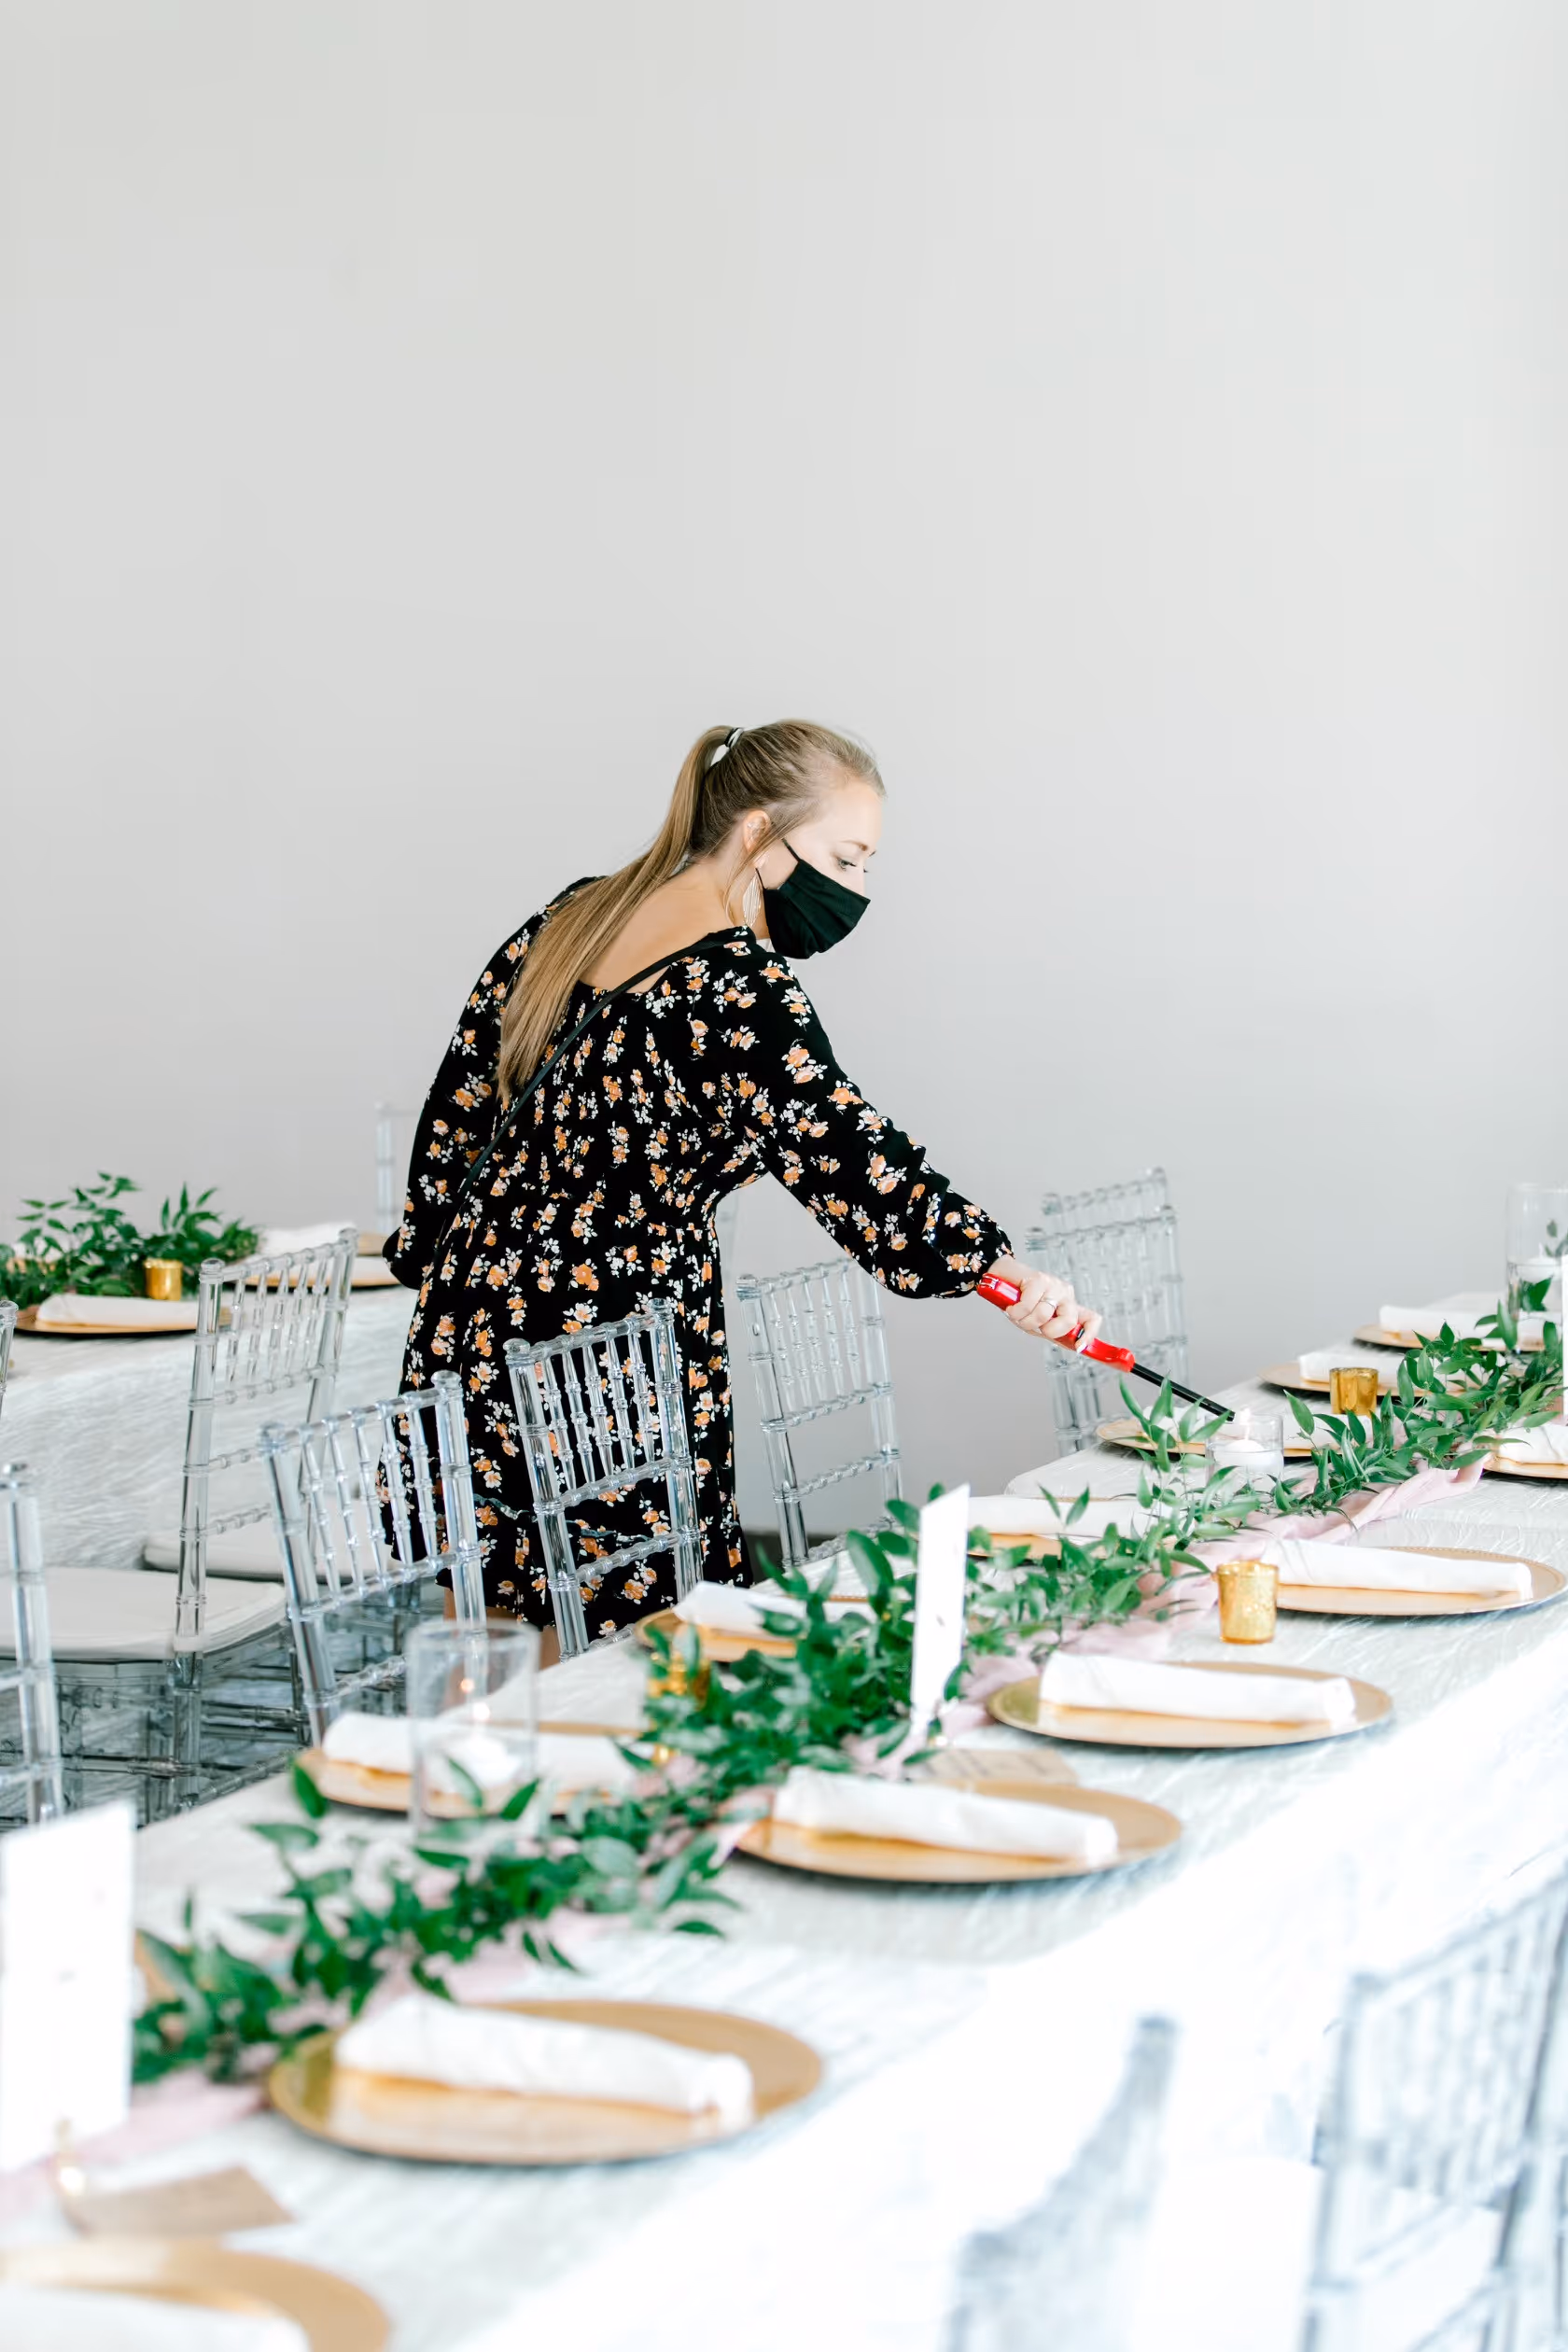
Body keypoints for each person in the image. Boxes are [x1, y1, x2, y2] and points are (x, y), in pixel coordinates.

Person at [385, 720, 1100, 1649]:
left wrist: (439, 1268)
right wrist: (1002, 1274)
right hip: (612, 1355)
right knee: (625, 1664)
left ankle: (462, 1798)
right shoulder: (736, 985)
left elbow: (456, 1116)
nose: (856, 889)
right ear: (760, 835)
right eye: (847, 856)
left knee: (480, 1647)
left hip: (471, 1330)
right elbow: (853, 1157)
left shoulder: (574, 916)